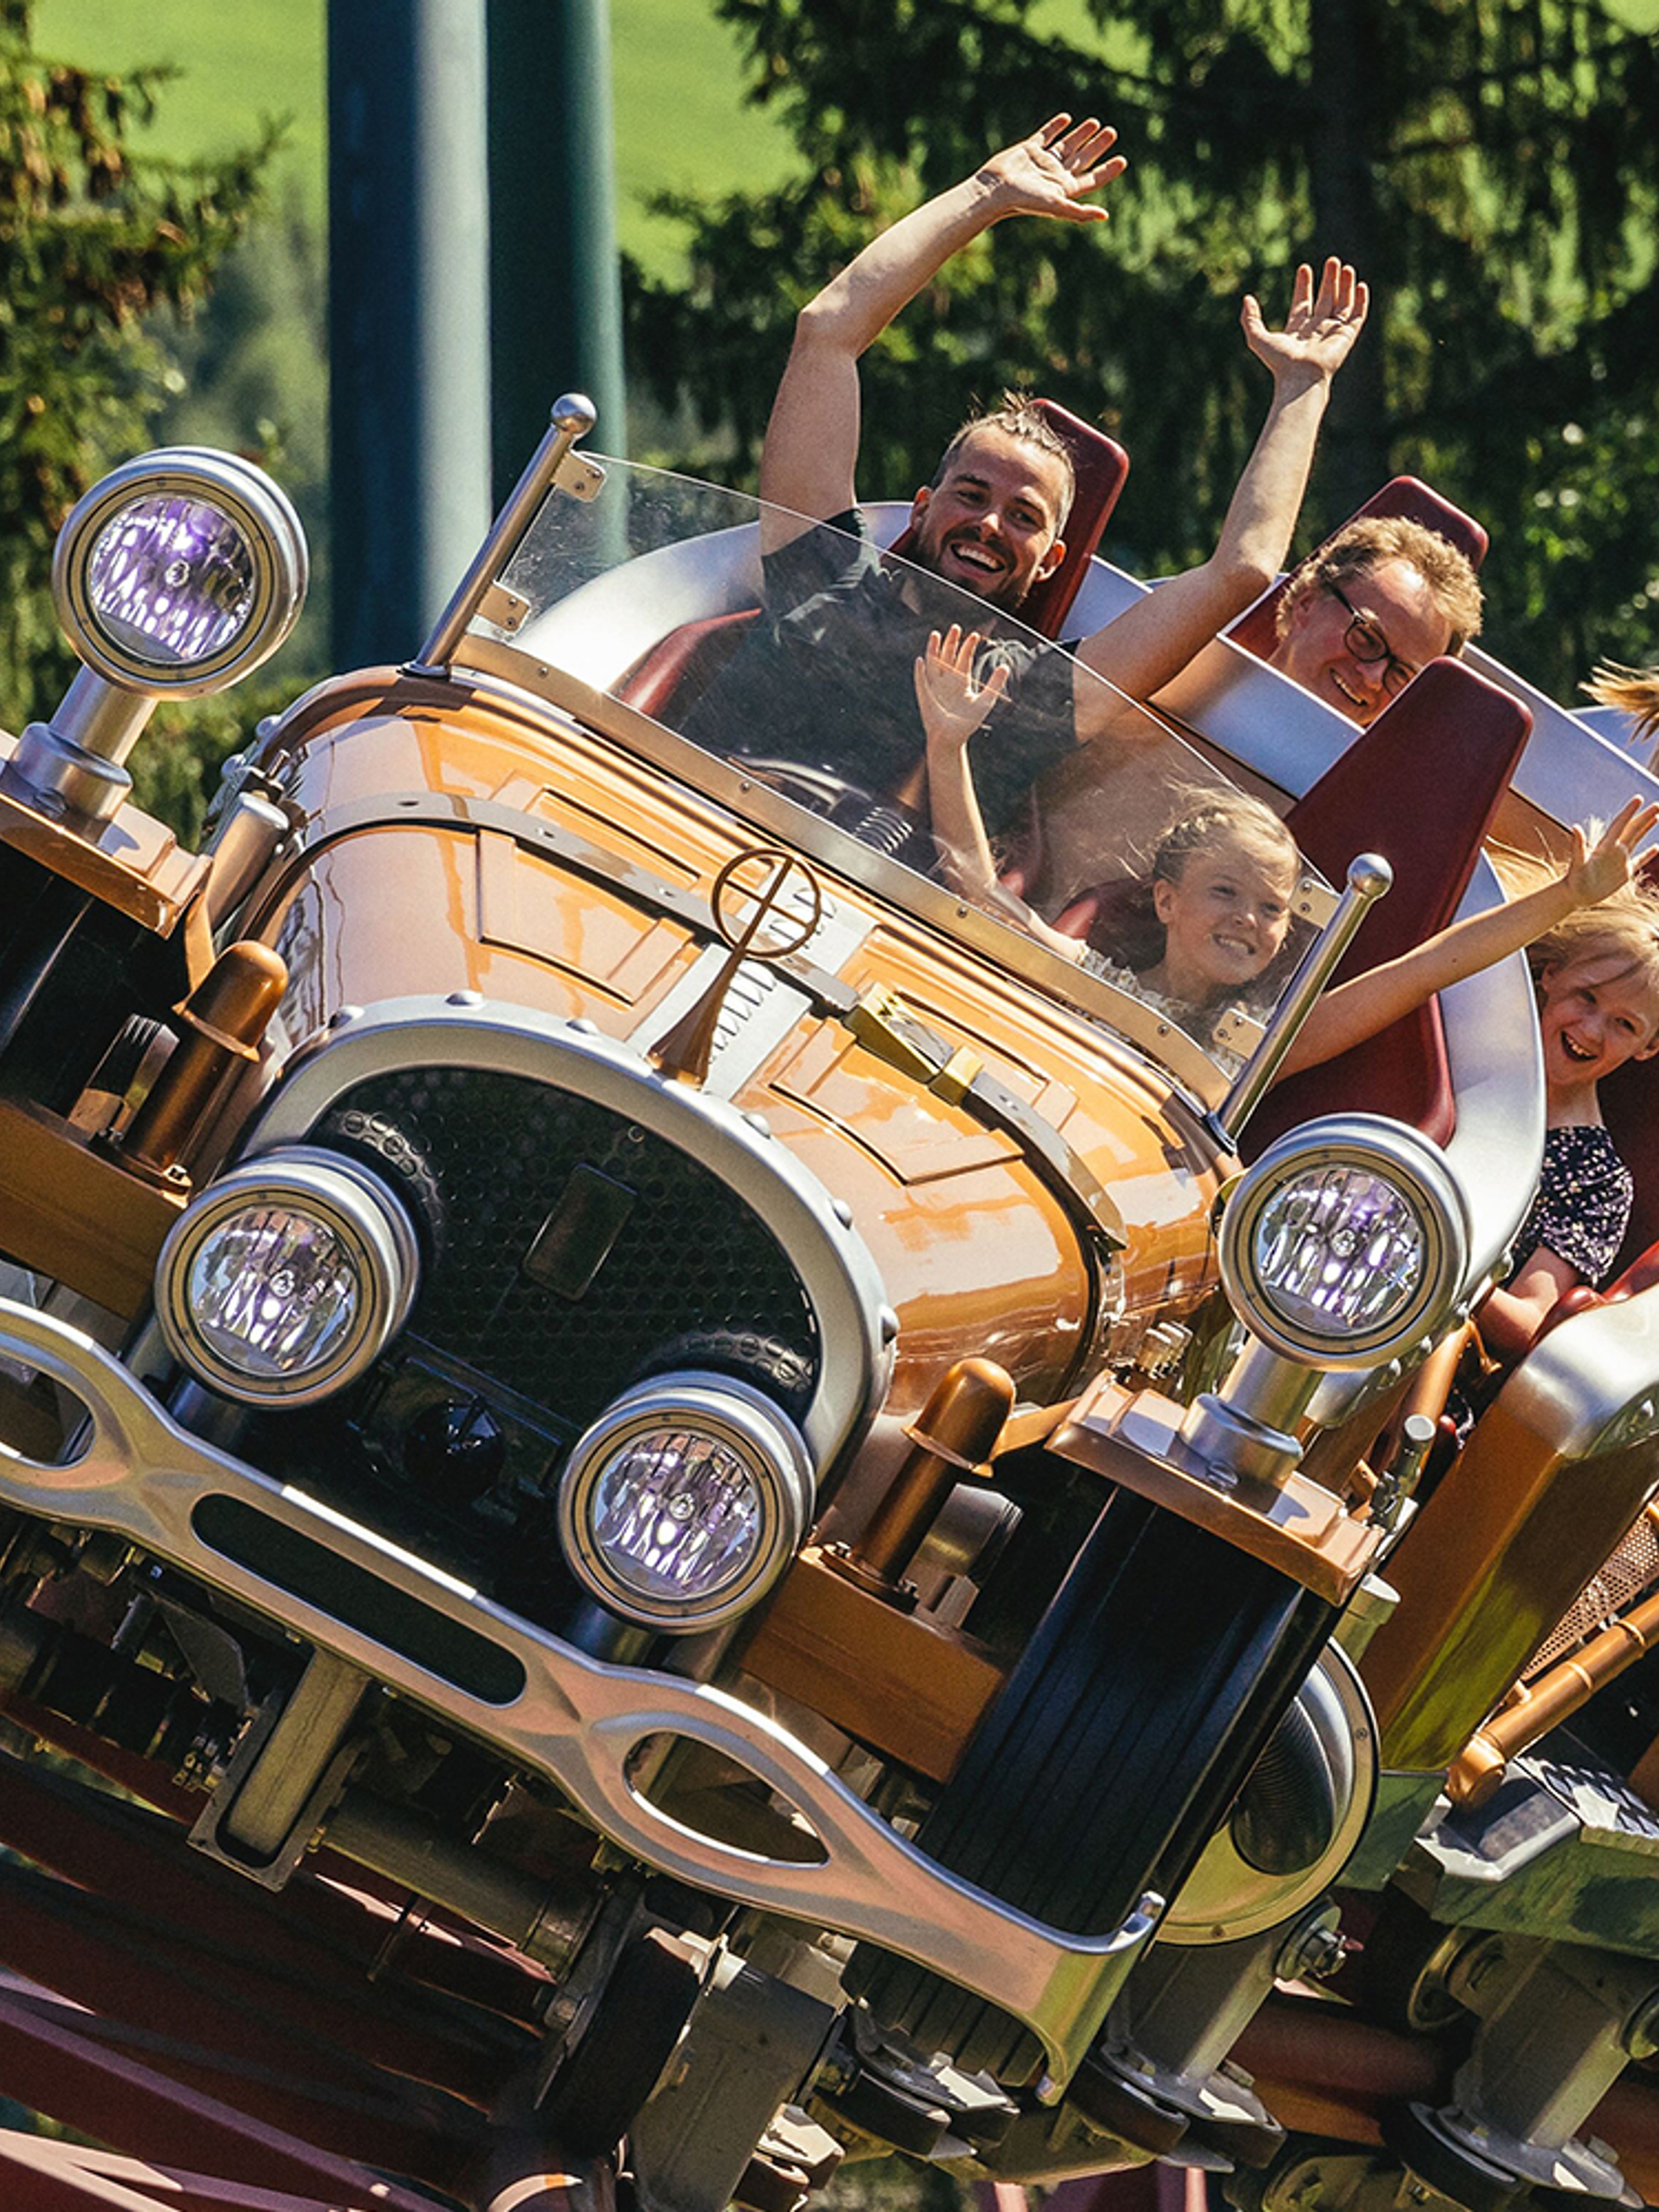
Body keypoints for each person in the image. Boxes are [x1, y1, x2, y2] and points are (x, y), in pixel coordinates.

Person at [917, 629, 1659, 1327]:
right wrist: (948, 745)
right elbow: (981, 896)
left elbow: (1427, 968)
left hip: (1128, 1235)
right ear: (1166, 899)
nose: (1248, 920)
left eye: (1272, 908)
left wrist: (1566, 898)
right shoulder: (1096, 975)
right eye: (1224, 893)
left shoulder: (1258, 1049)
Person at [686, 113, 1370, 839]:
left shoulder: (1024, 691)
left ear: (1051, 562)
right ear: (921, 509)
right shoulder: (824, 573)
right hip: (677, 819)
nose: (988, 524)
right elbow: (828, 331)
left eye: (1024, 516)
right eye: (972, 496)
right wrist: (985, 193)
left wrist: (1303, 388)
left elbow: (1243, 569)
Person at [1264, 514, 1485, 725]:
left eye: (1401, 674)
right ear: (1307, 602)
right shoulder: (1227, 661)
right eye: (1367, 639)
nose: (1374, 679)